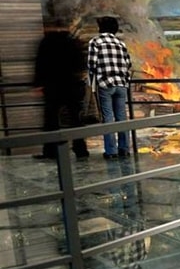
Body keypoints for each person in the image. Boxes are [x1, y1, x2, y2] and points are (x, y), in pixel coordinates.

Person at [33, 20, 90, 159]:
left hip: (52, 87)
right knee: (76, 119)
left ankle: (51, 151)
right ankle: (80, 150)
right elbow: (81, 63)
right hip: (72, 85)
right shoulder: (72, 42)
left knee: (51, 120)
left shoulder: (46, 42)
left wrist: (38, 84)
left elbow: (40, 63)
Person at [87, 15, 133, 160]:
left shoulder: (95, 42)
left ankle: (111, 151)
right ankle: (124, 149)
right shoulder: (121, 44)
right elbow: (128, 64)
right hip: (121, 84)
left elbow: (91, 64)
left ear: (101, 28)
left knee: (108, 118)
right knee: (122, 117)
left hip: (105, 84)